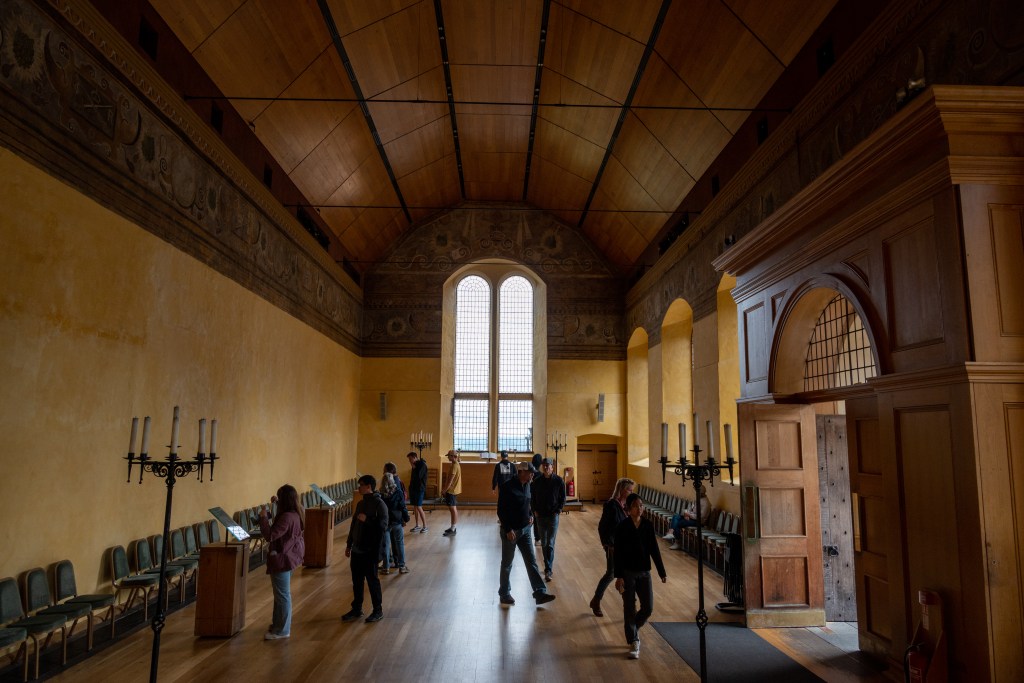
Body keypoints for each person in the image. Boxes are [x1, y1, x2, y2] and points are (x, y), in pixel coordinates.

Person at [614, 492, 667, 660]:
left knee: (648, 608)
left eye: (641, 505)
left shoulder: (648, 525)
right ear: (629, 509)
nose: (640, 509)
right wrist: (619, 576)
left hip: (645, 573)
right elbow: (618, 553)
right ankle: (634, 641)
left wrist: (661, 571)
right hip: (628, 573)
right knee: (629, 608)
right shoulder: (622, 527)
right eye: (636, 506)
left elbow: (654, 549)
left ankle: (632, 629)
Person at [496, 462, 556, 606]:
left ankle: (540, 593)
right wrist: (508, 529)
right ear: (521, 472)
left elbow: (527, 503)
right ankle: (504, 593)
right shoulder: (507, 487)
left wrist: (530, 515)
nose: (533, 474)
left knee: (531, 562)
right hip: (511, 532)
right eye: (530, 472)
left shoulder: (528, 484)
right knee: (507, 564)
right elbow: (501, 510)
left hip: (525, 530)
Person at [258, 484, 306, 640]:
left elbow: (270, 535)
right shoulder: (297, 511)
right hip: (291, 556)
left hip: (282, 558)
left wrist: (263, 517)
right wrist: (277, 502)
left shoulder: (286, 517)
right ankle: (277, 625)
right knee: (280, 594)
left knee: (282, 595)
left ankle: (283, 630)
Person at [341, 474, 388, 624]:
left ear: (368, 487)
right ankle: (357, 608)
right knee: (357, 581)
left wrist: (367, 520)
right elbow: (354, 525)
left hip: (370, 550)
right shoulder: (361, 504)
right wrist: (349, 545)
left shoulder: (380, 504)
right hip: (357, 549)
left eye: (361, 485)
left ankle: (377, 610)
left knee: (372, 581)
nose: (358, 487)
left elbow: (383, 527)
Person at [589, 477, 634, 617]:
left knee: (627, 575)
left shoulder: (626, 506)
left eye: (632, 490)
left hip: (626, 547)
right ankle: (596, 600)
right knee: (611, 574)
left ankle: (629, 607)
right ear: (621, 489)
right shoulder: (611, 505)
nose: (631, 492)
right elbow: (602, 527)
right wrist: (606, 544)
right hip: (613, 546)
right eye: (629, 490)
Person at [531, 457, 565, 581]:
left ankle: (548, 569)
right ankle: (547, 566)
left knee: (550, 543)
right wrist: (534, 510)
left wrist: (559, 510)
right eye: (544, 465)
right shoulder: (537, 481)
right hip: (540, 516)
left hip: (552, 516)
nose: (546, 467)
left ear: (552, 467)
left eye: (548, 465)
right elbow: (532, 498)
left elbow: (563, 497)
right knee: (544, 543)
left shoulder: (558, 481)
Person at [379, 472, 410, 574]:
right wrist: (406, 518)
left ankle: (385, 567)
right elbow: (402, 507)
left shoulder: (380, 494)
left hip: (385, 522)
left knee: (386, 545)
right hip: (397, 521)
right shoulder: (398, 492)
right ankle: (402, 566)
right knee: (399, 543)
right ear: (393, 481)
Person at [664, 485, 711, 550]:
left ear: (701, 493)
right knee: (676, 516)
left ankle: (677, 542)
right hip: (691, 518)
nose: (696, 493)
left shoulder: (706, 503)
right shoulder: (697, 499)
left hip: (698, 522)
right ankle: (671, 532)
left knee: (678, 524)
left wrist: (688, 515)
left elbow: (700, 517)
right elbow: (690, 508)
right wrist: (686, 514)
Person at [441, 449, 462, 536]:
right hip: (452, 490)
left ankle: (453, 529)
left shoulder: (454, 466)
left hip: (451, 490)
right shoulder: (455, 464)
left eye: (449, 456)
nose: (448, 457)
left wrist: (444, 490)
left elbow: (450, 480)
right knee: (452, 509)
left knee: (453, 509)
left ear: (453, 457)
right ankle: (452, 527)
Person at [406, 451, 428, 533]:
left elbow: (419, 476)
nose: (410, 461)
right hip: (413, 488)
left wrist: (414, 467)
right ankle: (417, 525)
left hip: (420, 488)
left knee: (419, 506)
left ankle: (425, 526)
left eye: (410, 459)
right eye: (409, 459)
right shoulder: (415, 465)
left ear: (415, 457)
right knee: (415, 507)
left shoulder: (422, 464)